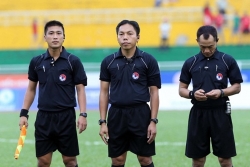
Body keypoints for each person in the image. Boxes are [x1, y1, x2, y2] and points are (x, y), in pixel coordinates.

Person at [18, 20, 88, 167]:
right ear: (45, 37)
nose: (55, 36)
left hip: (66, 117)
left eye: (58, 33)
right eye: (51, 33)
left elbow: (80, 89)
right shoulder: (36, 62)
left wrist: (83, 114)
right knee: (43, 161)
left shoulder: (73, 61)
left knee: (70, 161)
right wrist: (24, 113)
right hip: (44, 118)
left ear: (64, 37)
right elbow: (31, 89)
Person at [99, 20, 161, 167]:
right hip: (116, 115)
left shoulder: (148, 60)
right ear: (117, 37)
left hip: (140, 114)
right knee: (117, 160)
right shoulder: (108, 61)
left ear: (137, 36)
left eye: (129, 34)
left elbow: (154, 93)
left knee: (145, 159)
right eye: (121, 34)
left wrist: (153, 121)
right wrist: (102, 122)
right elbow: (103, 92)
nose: (125, 37)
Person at [179, 25, 243, 167]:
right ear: (197, 41)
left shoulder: (227, 60)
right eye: (203, 47)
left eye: (211, 47)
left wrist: (221, 92)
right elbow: (181, 89)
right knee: (198, 160)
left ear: (217, 41)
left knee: (224, 160)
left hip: (221, 112)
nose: (207, 50)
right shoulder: (190, 62)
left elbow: (237, 86)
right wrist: (192, 94)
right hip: (198, 114)